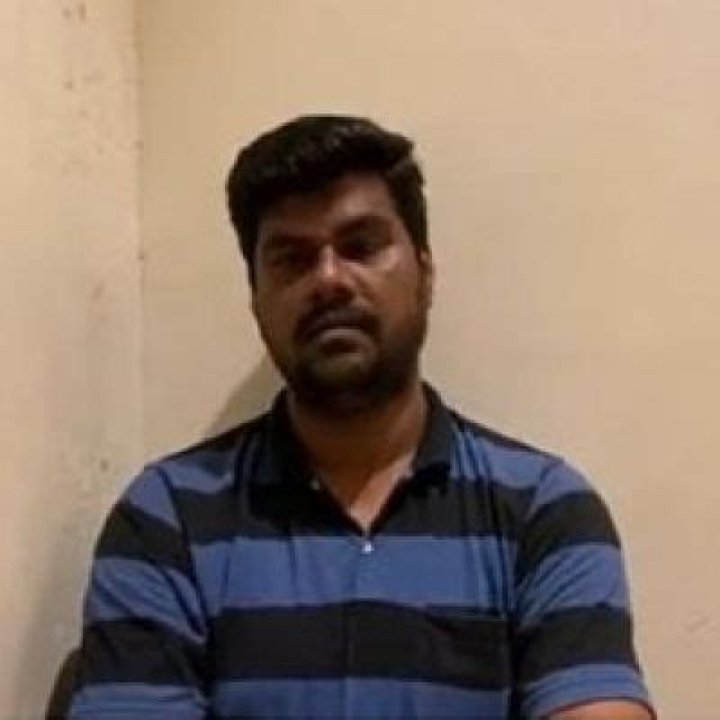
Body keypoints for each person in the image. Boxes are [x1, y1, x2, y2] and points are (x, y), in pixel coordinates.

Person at [68, 115, 654, 719]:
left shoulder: (542, 511)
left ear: (426, 274)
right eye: (292, 259)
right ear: (256, 299)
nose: (329, 279)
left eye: (362, 246)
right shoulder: (167, 519)